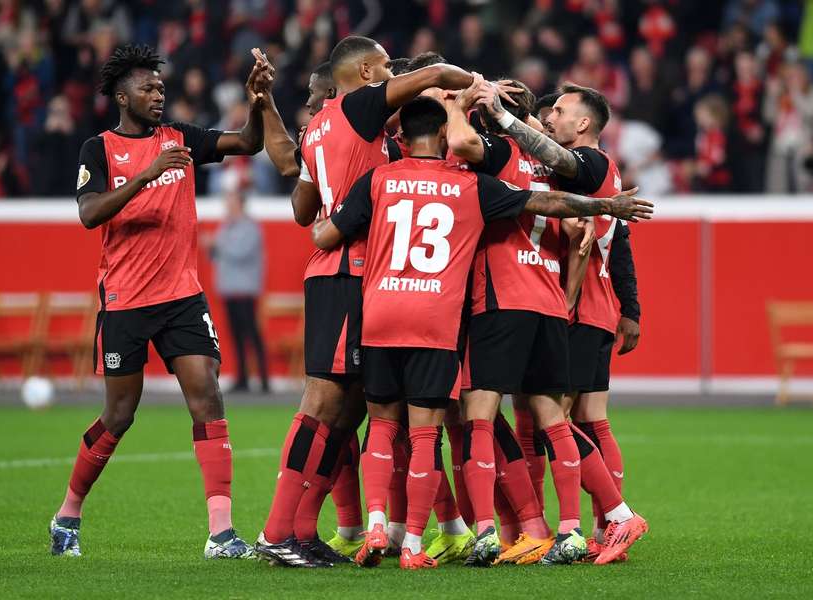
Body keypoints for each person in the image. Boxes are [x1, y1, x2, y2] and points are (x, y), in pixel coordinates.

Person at [311, 95, 653, 569]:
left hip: (468, 305)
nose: (551, 119)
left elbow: (325, 233)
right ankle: (573, 527)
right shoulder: (541, 173)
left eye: (559, 112)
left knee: (459, 418)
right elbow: (564, 217)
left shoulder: (467, 166)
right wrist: (607, 214)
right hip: (549, 303)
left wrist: (463, 103)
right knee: (555, 418)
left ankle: (482, 530)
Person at [255, 36, 487, 568]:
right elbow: (437, 73)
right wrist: (475, 87)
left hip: (356, 276)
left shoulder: (320, 128)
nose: (389, 74)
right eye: (385, 67)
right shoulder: (359, 106)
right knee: (322, 403)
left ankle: (303, 530)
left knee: (352, 407)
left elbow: (301, 207)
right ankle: (277, 533)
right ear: (365, 71)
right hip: (347, 271)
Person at [49, 44, 270, 560]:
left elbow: (248, 144)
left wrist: (258, 101)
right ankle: (68, 513)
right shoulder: (98, 149)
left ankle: (221, 533)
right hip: (125, 300)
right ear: (122, 96)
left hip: (182, 297)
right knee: (120, 414)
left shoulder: (181, 139)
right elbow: (89, 215)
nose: (157, 94)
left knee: (207, 395)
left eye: (160, 89)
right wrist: (146, 175)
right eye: (147, 88)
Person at [475, 83, 649, 564]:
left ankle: (607, 519)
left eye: (560, 110)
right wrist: (630, 308)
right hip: (591, 306)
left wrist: (506, 119)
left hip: (576, 305)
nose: (552, 115)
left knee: (556, 417)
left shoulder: (590, 163)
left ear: (584, 124)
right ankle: (591, 526)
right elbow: (623, 245)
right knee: (580, 418)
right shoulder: (595, 169)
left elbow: (556, 160)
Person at [204, 187, 269, 393]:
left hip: (245, 290)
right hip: (229, 289)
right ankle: (243, 378)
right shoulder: (227, 227)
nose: (228, 207)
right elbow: (218, 256)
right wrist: (212, 248)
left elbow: (240, 252)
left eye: (231, 203)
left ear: (240, 204)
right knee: (236, 336)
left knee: (252, 334)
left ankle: (263, 379)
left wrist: (216, 243)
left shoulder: (250, 227)